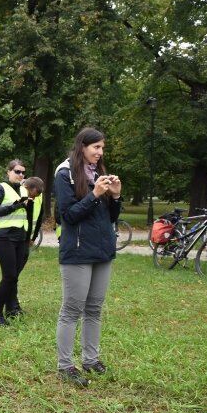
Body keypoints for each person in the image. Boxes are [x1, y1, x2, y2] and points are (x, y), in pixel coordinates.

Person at [53, 127, 122, 387]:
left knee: (94, 309)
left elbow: (112, 217)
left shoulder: (99, 174)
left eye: (102, 148)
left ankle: (91, 359)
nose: (100, 152)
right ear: (83, 146)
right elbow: (68, 215)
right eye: (96, 147)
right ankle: (65, 365)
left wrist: (115, 195)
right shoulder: (65, 173)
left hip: (102, 251)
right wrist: (94, 195)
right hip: (78, 251)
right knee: (72, 309)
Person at [0, 160, 37, 325]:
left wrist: (29, 236)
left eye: (23, 172)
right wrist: (15, 206)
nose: (21, 175)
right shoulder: (1, 188)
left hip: (20, 237)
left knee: (14, 277)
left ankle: (11, 309)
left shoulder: (24, 189)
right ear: (8, 171)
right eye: (17, 171)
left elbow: (27, 215)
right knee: (8, 276)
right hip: (5, 237)